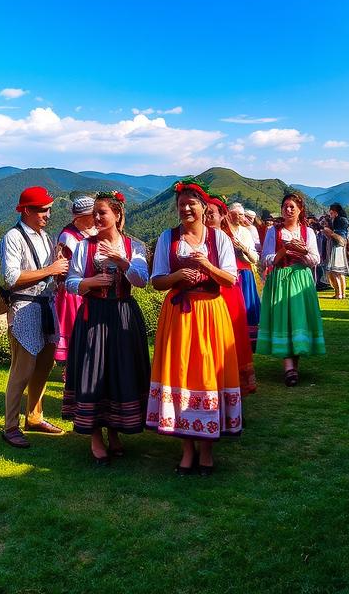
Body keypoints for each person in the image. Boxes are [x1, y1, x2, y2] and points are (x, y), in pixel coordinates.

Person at [148, 178, 242, 475]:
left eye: (192, 204)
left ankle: (207, 449)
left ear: (203, 207)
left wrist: (206, 265)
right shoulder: (168, 237)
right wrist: (178, 277)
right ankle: (187, 448)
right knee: (181, 375)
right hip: (179, 315)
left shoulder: (219, 239)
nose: (186, 208)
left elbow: (230, 279)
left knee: (208, 376)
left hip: (211, 313)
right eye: (181, 205)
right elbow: (157, 281)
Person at [62, 191, 150, 465]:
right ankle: (96, 436)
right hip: (93, 315)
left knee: (118, 371)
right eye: (95, 213)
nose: (97, 218)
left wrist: (122, 261)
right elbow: (70, 282)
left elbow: (141, 281)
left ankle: (115, 431)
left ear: (118, 215)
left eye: (103, 213)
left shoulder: (133, 246)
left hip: (123, 314)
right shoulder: (83, 247)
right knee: (94, 371)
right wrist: (89, 283)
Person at [0, 186, 71, 449]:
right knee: (22, 370)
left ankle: (34, 416)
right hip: (24, 309)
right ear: (26, 210)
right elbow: (11, 278)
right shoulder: (13, 237)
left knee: (44, 366)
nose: (48, 214)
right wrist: (50, 269)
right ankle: (9, 426)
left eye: (49, 209)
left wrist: (58, 271)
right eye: (42, 209)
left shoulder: (45, 236)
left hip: (46, 305)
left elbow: (47, 273)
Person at [257, 191, 325, 386]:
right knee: (283, 319)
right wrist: (283, 251)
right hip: (280, 277)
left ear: (300, 210)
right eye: (285, 207)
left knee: (297, 320)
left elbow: (315, 259)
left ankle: (294, 365)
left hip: (301, 278)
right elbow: (265, 259)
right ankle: (289, 368)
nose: (288, 210)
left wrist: (302, 251)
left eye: (292, 207)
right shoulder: (274, 232)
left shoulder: (307, 232)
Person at [208, 196, 256, 393]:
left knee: (230, 336)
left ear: (222, 216)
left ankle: (232, 383)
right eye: (206, 213)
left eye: (212, 213)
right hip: (209, 292)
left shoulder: (227, 239)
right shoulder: (198, 237)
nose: (208, 217)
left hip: (228, 290)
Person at [54, 196, 97, 368]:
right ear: (79, 217)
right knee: (74, 329)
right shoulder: (68, 237)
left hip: (89, 288)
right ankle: (71, 370)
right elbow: (65, 268)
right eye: (91, 214)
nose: (95, 217)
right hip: (72, 292)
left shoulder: (91, 232)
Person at [228, 202, 262, 353]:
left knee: (247, 307)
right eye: (238, 214)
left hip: (245, 273)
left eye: (242, 214)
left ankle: (249, 342)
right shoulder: (223, 232)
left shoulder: (246, 232)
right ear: (229, 215)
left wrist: (243, 249)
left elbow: (255, 258)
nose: (241, 217)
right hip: (230, 274)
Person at [323, 203, 349, 298]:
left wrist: (330, 232)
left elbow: (340, 235)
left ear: (335, 212)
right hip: (339, 246)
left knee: (335, 271)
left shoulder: (341, 220)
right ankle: (341, 293)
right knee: (339, 272)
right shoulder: (341, 220)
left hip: (338, 246)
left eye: (331, 213)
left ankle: (338, 293)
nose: (330, 215)